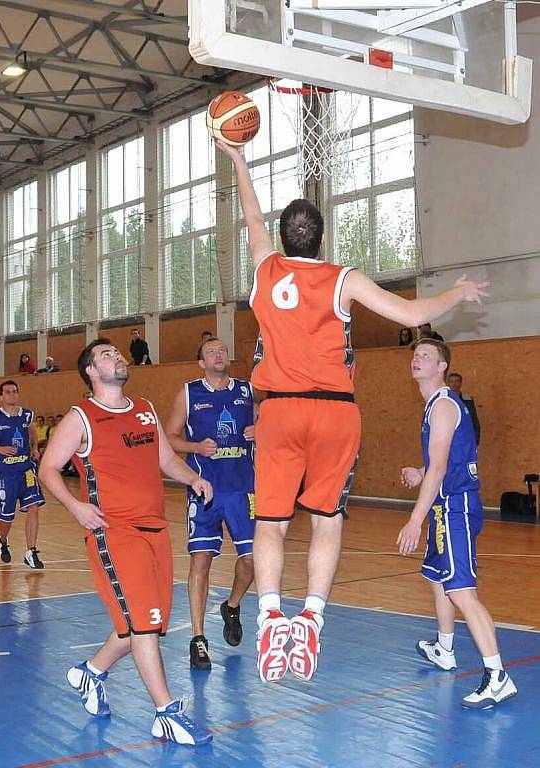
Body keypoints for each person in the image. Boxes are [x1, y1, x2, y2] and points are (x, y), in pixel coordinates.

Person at [216, 138, 489, 684]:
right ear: (320, 239)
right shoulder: (342, 278)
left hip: (279, 411)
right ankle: (312, 618)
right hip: (336, 412)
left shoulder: (265, 271)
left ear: (284, 237)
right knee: (327, 519)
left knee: (270, 523)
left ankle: (271, 615)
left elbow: (250, 218)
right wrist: (457, 293)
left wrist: (240, 160)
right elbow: (412, 311)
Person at [38, 338, 212, 746]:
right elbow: (48, 468)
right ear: (92, 373)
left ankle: (91, 672)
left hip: (155, 529)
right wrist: (76, 507)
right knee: (144, 623)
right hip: (115, 532)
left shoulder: (145, 409)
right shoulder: (82, 417)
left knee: (144, 621)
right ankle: (166, 713)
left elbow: (165, 459)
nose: (115, 357)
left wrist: (193, 478)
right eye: (105, 355)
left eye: (116, 353)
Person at [397, 339, 516, 708]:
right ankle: (444, 649)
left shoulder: (444, 407)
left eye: (427, 356)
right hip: (447, 503)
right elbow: (443, 462)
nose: (418, 360)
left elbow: (441, 468)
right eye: (416, 355)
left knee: (462, 591)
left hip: (455, 508)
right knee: (436, 577)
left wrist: (415, 520)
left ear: (443, 366)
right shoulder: (436, 405)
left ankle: (497, 675)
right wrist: (421, 472)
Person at [166, 337, 256, 670]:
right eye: (210, 352)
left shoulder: (247, 391)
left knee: (252, 562)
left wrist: (260, 430)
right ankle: (198, 638)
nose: (218, 355)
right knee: (200, 561)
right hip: (205, 489)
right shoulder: (189, 393)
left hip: (244, 489)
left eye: (221, 350)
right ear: (201, 363)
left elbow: (272, 424)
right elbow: (170, 437)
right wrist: (193, 447)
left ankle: (231, 606)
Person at [0, 380, 45, 568]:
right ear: (1, 396)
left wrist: (34, 449)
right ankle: (3, 540)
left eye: (15, 391)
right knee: (7, 515)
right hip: (5, 473)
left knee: (34, 506)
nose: (12, 394)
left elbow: (32, 435)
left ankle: (31, 552)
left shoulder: (27, 415)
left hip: (26, 469)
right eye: (7, 392)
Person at [447, 372, 481, 446]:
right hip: (449, 440)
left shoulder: (468, 400)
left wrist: (476, 440)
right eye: (451, 381)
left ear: (461, 383)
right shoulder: (443, 401)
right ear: (448, 384)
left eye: (457, 381)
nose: (454, 384)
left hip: (465, 439)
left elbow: (474, 421)